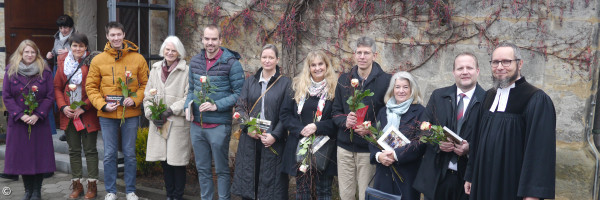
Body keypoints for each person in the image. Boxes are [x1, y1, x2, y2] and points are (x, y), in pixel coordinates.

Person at [464, 42, 556, 200]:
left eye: (506, 61)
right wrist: (470, 175)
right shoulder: (488, 96)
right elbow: (477, 140)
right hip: (483, 182)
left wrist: (532, 194)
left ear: (520, 64)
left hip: (512, 185)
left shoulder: (536, 99)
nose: (500, 67)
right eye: (495, 62)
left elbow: (540, 151)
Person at [86, 21, 149, 200]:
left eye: (118, 34)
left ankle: (130, 190)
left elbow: (146, 84)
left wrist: (135, 99)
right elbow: (91, 87)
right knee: (109, 154)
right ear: (107, 36)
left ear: (123, 35)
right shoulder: (98, 60)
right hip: (107, 114)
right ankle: (111, 191)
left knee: (129, 153)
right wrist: (102, 105)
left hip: (130, 114)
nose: (115, 38)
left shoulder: (138, 59)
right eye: (112, 35)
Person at [412, 53, 485, 200]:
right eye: (460, 68)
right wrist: (437, 143)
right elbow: (422, 130)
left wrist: (470, 149)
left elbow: (489, 140)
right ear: (453, 72)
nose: (464, 72)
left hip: (468, 179)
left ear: (477, 71)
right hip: (437, 177)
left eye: (469, 68)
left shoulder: (487, 101)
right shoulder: (438, 96)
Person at [183, 24, 244, 200]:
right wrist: (188, 106)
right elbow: (191, 90)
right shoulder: (195, 62)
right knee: (202, 169)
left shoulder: (232, 63)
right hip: (197, 125)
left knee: (221, 169)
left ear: (220, 40)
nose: (210, 43)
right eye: (207, 39)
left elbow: (239, 95)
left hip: (219, 125)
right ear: (202, 39)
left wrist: (216, 105)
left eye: (214, 39)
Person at [331, 36, 391, 200]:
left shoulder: (386, 81)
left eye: (366, 53)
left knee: (367, 195)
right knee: (346, 195)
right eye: (359, 53)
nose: (362, 57)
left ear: (374, 55)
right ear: (354, 55)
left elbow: (388, 117)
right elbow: (335, 112)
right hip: (344, 148)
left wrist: (370, 128)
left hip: (368, 148)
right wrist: (345, 121)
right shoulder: (345, 79)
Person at [231, 44, 291, 199]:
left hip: (272, 139)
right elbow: (240, 107)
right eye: (264, 57)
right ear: (260, 59)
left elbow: (287, 114)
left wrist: (275, 135)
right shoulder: (250, 81)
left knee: (271, 185)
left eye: (271, 57)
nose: (267, 60)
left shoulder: (285, 83)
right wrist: (248, 128)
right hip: (250, 139)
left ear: (277, 60)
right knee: (250, 181)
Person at [280, 50, 338, 199]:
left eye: (321, 64)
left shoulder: (335, 89)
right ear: (309, 67)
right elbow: (285, 114)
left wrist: (317, 127)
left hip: (324, 148)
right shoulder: (297, 86)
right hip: (299, 145)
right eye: (313, 65)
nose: (317, 68)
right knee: (302, 190)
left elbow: (337, 120)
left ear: (326, 66)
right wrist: (301, 129)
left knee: (324, 190)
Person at [3, 39, 56, 200]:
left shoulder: (45, 71)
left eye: (33, 52)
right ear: (20, 53)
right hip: (19, 123)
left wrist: (37, 114)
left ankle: (37, 192)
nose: (30, 55)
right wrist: (21, 115)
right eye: (26, 52)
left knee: (39, 157)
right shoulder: (11, 71)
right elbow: (7, 96)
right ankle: (27, 191)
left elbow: (50, 96)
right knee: (23, 158)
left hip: (38, 122)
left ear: (37, 53)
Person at [143, 36, 191, 200]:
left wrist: (170, 110)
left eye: (173, 50)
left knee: (177, 163)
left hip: (177, 123)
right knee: (164, 162)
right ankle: (169, 195)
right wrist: (152, 114)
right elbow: (147, 96)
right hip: (159, 123)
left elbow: (188, 97)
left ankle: (178, 196)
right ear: (163, 50)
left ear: (179, 53)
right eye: (167, 49)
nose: (170, 53)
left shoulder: (186, 71)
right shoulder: (155, 68)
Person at [54, 33, 101, 200]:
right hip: (69, 115)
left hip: (87, 114)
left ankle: (92, 186)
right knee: (73, 151)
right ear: (70, 47)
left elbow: (98, 88)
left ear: (86, 47)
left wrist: (84, 106)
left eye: (81, 46)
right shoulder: (62, 62)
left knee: (90, 151)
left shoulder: (93, 62)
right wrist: (63, 107)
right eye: (75, 45)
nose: (78, 49)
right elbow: (58, 88)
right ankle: (77, 185)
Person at [368, 71, 425, 200]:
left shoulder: (420, 112)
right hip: (384, 173)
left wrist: (396, 155)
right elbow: (373, 138)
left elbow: (421, 143)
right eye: (397, 87)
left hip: (407, 175)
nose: (401, 91)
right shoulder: (383, 111)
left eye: (405, 87)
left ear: (412, 90)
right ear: (392, 89)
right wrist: (378, 156)